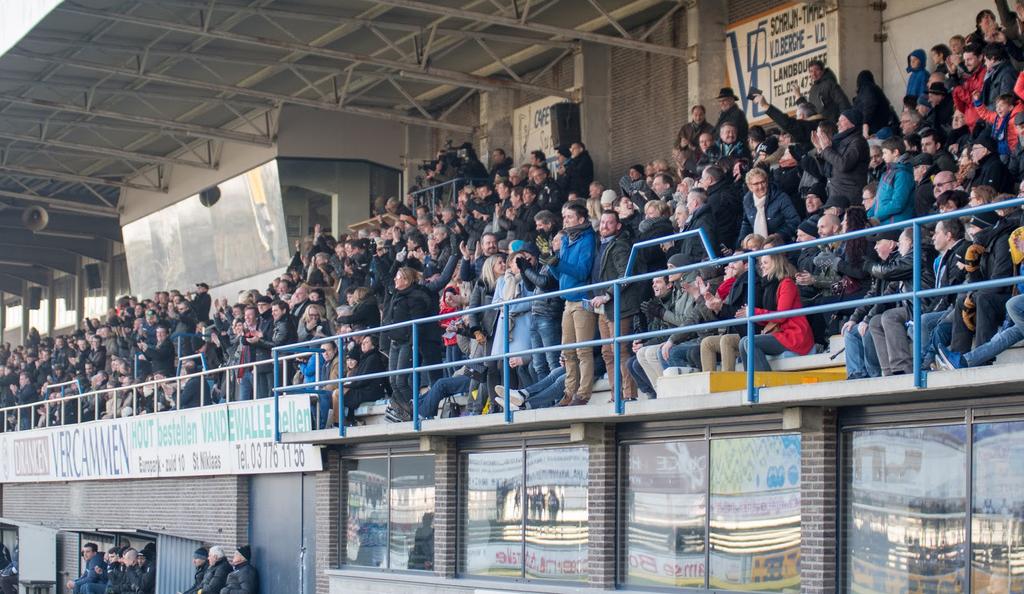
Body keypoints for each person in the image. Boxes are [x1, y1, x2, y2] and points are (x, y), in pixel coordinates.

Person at [541, 202, 597, 406]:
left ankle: (583, 393)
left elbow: (582, 271)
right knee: (568, 352)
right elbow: (560, 274)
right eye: (564, 217)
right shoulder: (565, 240)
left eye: (569, 217)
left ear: (581, 219)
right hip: (567, 301)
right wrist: (550, 261)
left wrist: (559, 263)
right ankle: (569, 391)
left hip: (583, 300)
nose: (565, 220)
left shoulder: (588, 239)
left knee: (583, 350)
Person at [738, 253, 814, 371]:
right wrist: (751, 315)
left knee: (750, 342)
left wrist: (754, 312)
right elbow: (772, 318)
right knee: (743, 342)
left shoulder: (787, 284)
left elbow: (780, 316)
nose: (762, 266)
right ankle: (751, 385)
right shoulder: (770, 287)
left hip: (794, 334)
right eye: (761, 263)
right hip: (781, 332)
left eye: (765, 263)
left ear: (776, 264)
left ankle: (765, 383)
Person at [816, 109, 870, 205]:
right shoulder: (838, 141)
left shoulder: (858, 142)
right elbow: (825, 173)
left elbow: (843, 164)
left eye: (842, 120)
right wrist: (821, 151)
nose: (837, 124)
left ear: (852, 122)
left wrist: (826, 150)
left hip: (850, 198)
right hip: (835, 196)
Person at [737, 167, 801, 246]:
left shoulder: (781, 197)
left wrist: (777, 236)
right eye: (756, 184)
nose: (760, 187)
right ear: (750, 186)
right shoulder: (747, 200)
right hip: (756, 246)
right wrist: (743, 241)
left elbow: (794, 221)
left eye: (762, 182)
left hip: (781, 244)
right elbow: (746, 223)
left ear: (767, 182)